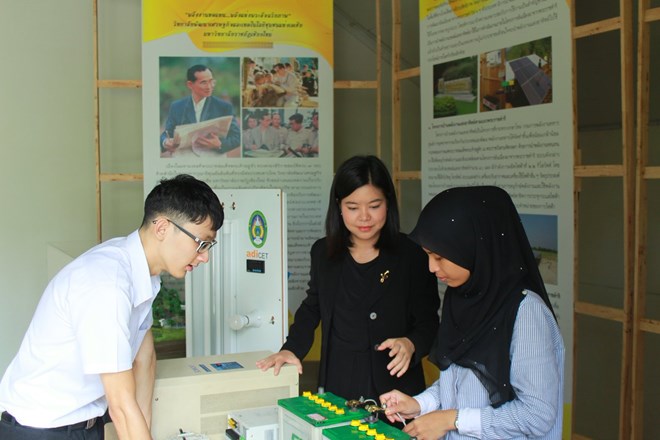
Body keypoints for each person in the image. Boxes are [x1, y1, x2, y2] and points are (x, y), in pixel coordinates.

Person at [0, 175, 224, 440]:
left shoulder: (140, 273)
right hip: (41, 429)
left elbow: (145, 359)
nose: (205, 256)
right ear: (162, 228)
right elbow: (120, 404)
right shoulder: (107, 281)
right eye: (201, 243)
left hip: (83, 424)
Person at [379, 186, 564, 440]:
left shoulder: (526, 313)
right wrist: (419, 404)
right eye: (428, 256)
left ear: (474, 248)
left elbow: (537, 415)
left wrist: (450, 419)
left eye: (440, 257)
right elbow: (461, 383)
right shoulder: (463, 297)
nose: (432, 268)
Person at [257, 155, 439, 405]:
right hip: (339, 384)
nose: (364, 217)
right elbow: (312, 308)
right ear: (338, 206)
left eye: (374, 206)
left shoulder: (413, 254)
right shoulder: (323, 253)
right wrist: (291, 349)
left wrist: (411, 344)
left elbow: (429, 322)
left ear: (389, 203)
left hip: (396, 391)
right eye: (353, 207)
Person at [160, 64, 240, 156]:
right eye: (204, 82)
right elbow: (167, 133)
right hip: (184, 163)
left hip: (213, 163)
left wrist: (220, 144)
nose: (209, 86)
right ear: (190, 84)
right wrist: (165, 142)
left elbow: (237, 137)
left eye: (211, 81)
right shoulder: (176, 106)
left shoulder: (224, 107)